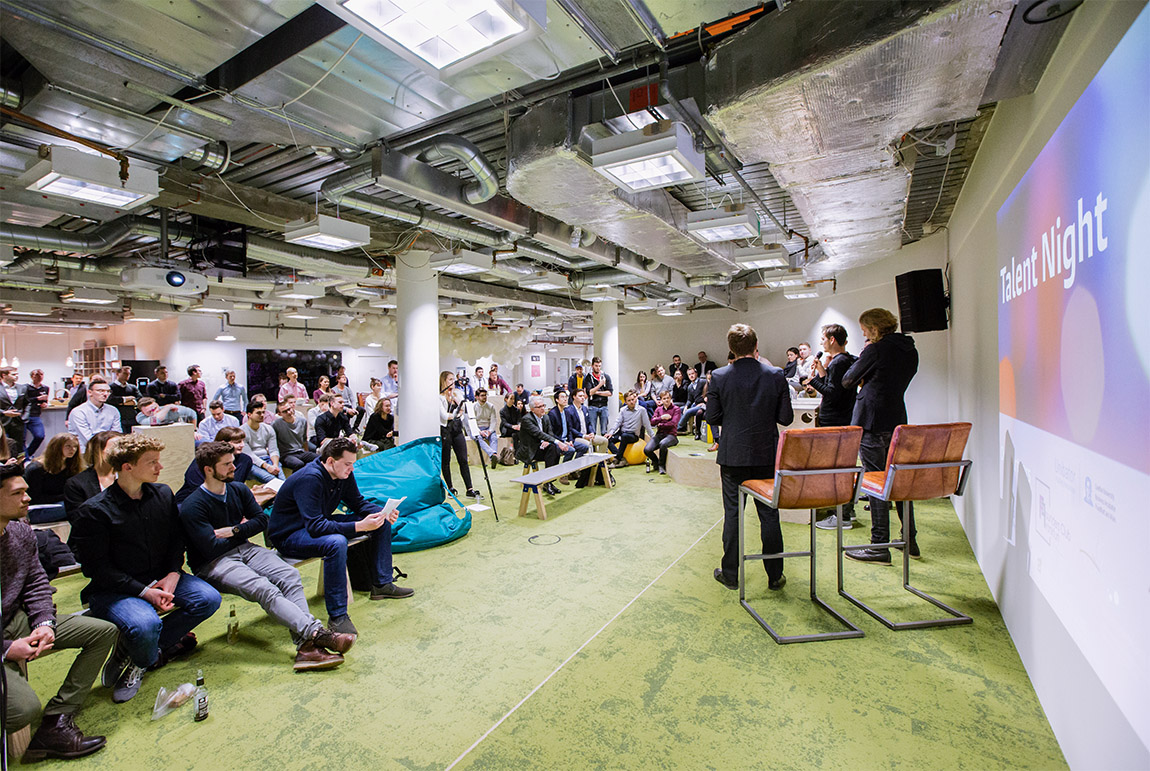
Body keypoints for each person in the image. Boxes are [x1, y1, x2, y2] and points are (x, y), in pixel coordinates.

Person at [71, 433, 222, 703]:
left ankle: (135, 653)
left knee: (208, 599)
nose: (159, 467)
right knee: (146, 624)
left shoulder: (162, 493)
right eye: (152, 462)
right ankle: (142, 658)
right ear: (127, 467)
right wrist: (145, 592)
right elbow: (97, 569)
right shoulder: (94, 511)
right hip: (114, 589)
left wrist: (173, 573)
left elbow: (176, 539)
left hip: (160, 577)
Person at [178, 442, 353, 671]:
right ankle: (316, 634)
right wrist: (244, 528)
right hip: (212, 562)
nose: (234, 467)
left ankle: (307, 648)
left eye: (233, 462)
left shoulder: (238, 489)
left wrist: (235, 530)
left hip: (245, 548)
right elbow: (211, 547)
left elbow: (262, 521)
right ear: (208, 470)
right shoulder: (192, 506)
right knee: (264, 588)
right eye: (227, 464)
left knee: (289, 575)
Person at [1, 462, 117, 762]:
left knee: (102, 632)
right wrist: (6, 650)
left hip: (14, 620)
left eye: (26, 491)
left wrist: (44, 622)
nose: (28, 498)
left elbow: (36, 582)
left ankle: (57, 720)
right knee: (22, 710)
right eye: (17, 493)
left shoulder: (20, 532)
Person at [269, 438, 412, 635]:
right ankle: (337, 616)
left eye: (353, 464)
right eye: (347, 464)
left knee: (380, 522)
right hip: (289, 535)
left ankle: (382, 583)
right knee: (336, 542)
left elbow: (358, 503)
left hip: (316, 524)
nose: (351, 469)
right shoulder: (309, 478)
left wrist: (382, 513)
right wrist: (359, 526)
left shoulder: (343, 473)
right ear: (330, 461)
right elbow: (316, 527)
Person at [707, 323, 794, 592]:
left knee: (733, 515)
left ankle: (730, 574)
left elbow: (712, 417)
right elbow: (785, 418)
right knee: (769, 515)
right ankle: (775, 575)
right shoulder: (776, 374)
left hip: (732, 455)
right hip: (766, 454)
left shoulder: (719, 376)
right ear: (756, 346)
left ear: (731, 349)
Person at [842, 308, 920, 563]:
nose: (864, 334)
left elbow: (847, 380)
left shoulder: (875, 350)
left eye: (865, 330)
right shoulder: (909, 350)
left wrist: (865, 369)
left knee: (876, 483)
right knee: (899, 482)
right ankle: (910, 538)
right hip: (897, 419)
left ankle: (879, 545)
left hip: (872, 422)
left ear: (874, 329)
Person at [806, 323, 860, 531]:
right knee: (842, 466)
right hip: (843, 417)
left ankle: (842, 514)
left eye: (823, 339)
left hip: (834, 419)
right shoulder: (847, 360)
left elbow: (832, 393)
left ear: (832, 340)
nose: (821, 343)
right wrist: (822, 372)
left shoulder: (838, 363)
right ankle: (846, 509)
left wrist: (812, 381)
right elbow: (834, 386)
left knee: (836, 468)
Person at [175, 426, 263, 506]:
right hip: (193, 500)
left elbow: (237, 485)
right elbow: (195, 485)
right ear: (223, 443)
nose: (242, 445)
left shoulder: (245, 460)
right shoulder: (205, 458)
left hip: (225, 499)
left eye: (243, 441)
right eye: (237, 442)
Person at [516, 395, 571, 496]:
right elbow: (538, 433)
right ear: (532, 409)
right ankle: (548, 482)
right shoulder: (526, 419)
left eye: (543, 405)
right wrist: (557, 442)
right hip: (530, 449)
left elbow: (550, 433)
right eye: (539, 407)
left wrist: (548, 441)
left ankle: (549, 481)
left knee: (554, 449)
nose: (542, 408)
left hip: (543, 447)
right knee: (553, 449)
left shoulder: (545, 417)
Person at [438, 371, 480, 499]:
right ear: (444, 381)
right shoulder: (439, 397)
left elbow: (463, 410)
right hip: (446, 430)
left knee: (463, 459)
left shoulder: (457, 394)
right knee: (446, 461)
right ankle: (450, 488)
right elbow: (444, 416)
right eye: (450, 379)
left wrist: (454, 401)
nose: (453, 382)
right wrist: (455, 414)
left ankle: (469, 489)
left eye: (453, 379)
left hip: (457, 429)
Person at [24, 433, 83, 524]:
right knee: (74, 506)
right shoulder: (37, 469)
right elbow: (34, 498)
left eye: (75, 446)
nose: (73, 449)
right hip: (36, 510)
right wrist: (66, 496)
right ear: (57, 447)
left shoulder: (71, 467)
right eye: (68, 446)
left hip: (60, 504)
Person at [63, 430, 120, 524]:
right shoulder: (76, 484)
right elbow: (78, 520)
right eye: (116, 448)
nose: (122, 453)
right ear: (97, 451)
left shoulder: (129, 477)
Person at [68, 379, 119, 452]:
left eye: (108, 391)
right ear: (90, 392)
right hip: (85, 452)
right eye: (100, 391)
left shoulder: (113, 410)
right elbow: (87, 439)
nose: (105, 394)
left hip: (108, 450)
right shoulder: (79, 412)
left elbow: (116, 434)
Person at [605, 390, 652, 467]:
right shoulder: (623, 410)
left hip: (633, 435)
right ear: (626, 402)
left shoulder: (641, 410)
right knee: (607, 440)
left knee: (624, 436)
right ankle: (622, 459)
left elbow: (647, 424)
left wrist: (652, 436)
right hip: (622, 433)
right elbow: (617, 422)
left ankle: (616, 459)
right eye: (629, 400)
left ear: (635, 399)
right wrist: (611, 433)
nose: (631, 402)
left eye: (632, 400)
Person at [242, 400, 285, 483]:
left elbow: (274, 450)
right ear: (249, 414)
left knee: (283, 480)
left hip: (267, 459)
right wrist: (267, 466)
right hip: (252, 463)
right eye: (258, 413)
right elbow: (250, 455)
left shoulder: (268, 428)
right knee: (273, 480)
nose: (262, 415)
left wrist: (275, 465)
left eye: (263, 412)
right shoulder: (242, 431)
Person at [274, 399, 317, 470]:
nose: (289, 412)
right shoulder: (275, 424)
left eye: (289, 409)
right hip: (286, 454)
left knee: (319, 459)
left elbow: (304, 440)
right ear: (279, 414)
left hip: (300, 451)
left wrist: (307, 453)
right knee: (298, 464)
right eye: (285, 411)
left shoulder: (302, 421)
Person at [645, 390, 681, 475]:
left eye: (668, 398)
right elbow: (652, 422)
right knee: (647, 450)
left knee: (663, 444)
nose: (666, 400)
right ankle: (656, 462)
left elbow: (673, 423)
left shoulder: (676, 409)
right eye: (664, 398)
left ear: (671, 399)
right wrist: (662, 417)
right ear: (661, 400)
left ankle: (662, 465)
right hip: (660, 434)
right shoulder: (658, 409)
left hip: (671, 435)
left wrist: (660, 424)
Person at [546, 389, 586, 463]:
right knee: (571, 450)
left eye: (566, 397)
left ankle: (575, 467)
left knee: (584, 447)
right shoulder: (552, 414)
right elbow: (551, 433)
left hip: (567, 440)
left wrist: (570, 440)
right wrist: (563, 442)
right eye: (562, 397)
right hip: (557, 441)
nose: (565, 399)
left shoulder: (566, 411)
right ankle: (565, 469)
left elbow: (569, 429)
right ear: (557, 400)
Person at [0, 365, 30, 452]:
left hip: (18, 420)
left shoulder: (22, 388)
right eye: (13, 374)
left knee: (19, 445)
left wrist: (25, 416)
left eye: (17, 374)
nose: (16, 376)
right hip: (2, 420)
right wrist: (3, 412)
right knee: (3, 445)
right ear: (4, 375)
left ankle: (19, 461)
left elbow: (28, 403)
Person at [23, 368, 51, 457]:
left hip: (35, 415)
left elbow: (44, 401)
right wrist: (37, 399)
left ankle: (27, 455)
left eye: (41, 374)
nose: (39, 377)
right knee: (21, 439)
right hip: (24, 415)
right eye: (37, 375)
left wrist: (44, 404)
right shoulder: (25, 387)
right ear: (32, 376)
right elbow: (23, 401)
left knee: (40, 436)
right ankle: (25, 459)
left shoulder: (45, 388)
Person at [106, 366, 140, 433]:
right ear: (117, 374)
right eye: (125, 373)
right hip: (118, 417)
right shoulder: (110, 387)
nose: (127, 375)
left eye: (129, 374)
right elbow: (110, 400)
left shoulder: (132, 387)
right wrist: (126, 399)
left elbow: (140, 399)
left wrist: (121, 402)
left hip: (132, 417)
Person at [471, 389, 499, 467]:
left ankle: (493, 457)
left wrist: (489, 431)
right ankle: (492, 454)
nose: (484, 397)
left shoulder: (491, 406)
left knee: (494, 438)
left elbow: (493, 420)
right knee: (478, 438)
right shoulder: (473, 407)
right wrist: (479, 431)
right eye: (482, 395)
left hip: (488, 428)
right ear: (477, 397)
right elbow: (472, 422)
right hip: (477, 429)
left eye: (485, 395)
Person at [586, 357, 613, 435]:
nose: (598, 368)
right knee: (592, 431)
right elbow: (590, 392)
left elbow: (610, 393)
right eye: (596, 366)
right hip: (592, 406)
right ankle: (593, 443)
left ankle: (604, 443)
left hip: (604, 405)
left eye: (599, 366)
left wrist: (596, 392)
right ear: (592, 366)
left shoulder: (606, 377)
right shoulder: (588, 377)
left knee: (604, 431)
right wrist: (600, 385)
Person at [565, 388, 596, 455]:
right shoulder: (568, 410)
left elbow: (589, 423)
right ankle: (585, 461)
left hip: (587, 435)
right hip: (577, 437)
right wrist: (583, 436)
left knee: (604, 441)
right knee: (588, 445)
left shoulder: (585, 408)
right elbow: (570, 428)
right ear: (574, 397)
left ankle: (599, 460)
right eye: (580, 396)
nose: (582, 398)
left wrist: (592, 432)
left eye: (583, 396)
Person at [678, 367, 706, 438]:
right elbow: (689, 399)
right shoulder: (690, 387)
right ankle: (682, 428)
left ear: (696, 373)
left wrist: (703, 402)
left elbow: (708, 392)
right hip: (695, 404)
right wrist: (686, 406)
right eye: (689, 374)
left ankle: (677, 428)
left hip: (703, 405)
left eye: (692, 373)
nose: (691, 376)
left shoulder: (703, 382)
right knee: (680, 409)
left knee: (688, 411)